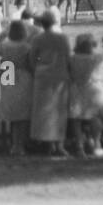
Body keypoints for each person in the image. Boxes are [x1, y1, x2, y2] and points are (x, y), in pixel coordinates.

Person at [28, 8, 71, 156]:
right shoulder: (63, 38)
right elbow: (68, 56)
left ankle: (48, 143)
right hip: (60, 75)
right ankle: (59, 143)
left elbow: (32, 58)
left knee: (45, 111)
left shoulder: (38, 38)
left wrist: (36, 70)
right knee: (59, 110)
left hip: (43, 75)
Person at [67, 33, 103, 158]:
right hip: (96, 88)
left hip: (77, 88)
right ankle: (96, 145)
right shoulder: (100, 58)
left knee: (76, 119)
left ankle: (79, 146)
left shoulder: (72, 58)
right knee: (95, 117)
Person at [0, 21, 33, 155]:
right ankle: (20, 144)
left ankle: (14, 143)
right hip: (22, 74)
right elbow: (30, 62)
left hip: (8, 72)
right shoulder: (26, 46)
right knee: (22, 111)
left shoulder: (5, 45)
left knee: (12, 109)